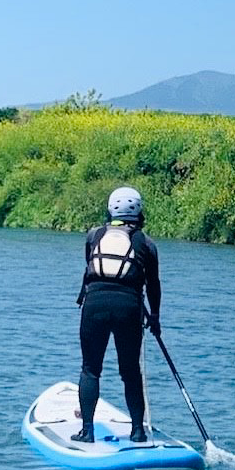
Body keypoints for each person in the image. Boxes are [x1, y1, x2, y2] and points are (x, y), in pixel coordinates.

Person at [72, 185, 162, 443]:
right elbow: (153, 284)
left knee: (91, 369)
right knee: (130, 370)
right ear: (139, 213)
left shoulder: (94, 235)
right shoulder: (146, 243)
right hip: (129, 308)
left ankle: (87, 432)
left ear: (110, 211)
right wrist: (154, 318)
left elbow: (91, 266)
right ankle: (137, 431)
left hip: (94, 305)